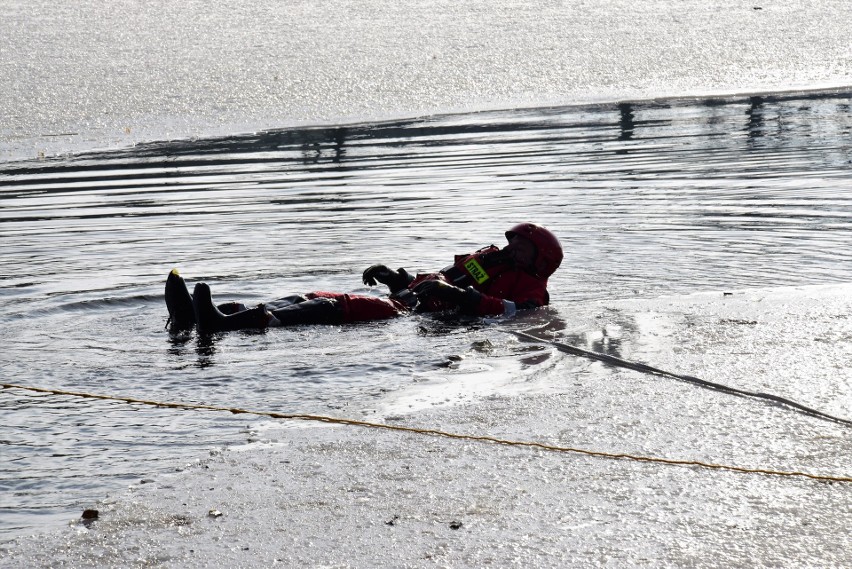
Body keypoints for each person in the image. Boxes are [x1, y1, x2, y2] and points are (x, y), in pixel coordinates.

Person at [165, 223, 563, 334]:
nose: (512, 248)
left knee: (330, 306)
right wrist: (397, 277)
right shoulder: (490, 260)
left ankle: (225, 326)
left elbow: (508, 312)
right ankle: (213, 314)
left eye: (522, 248)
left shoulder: (532, 292)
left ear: (538, 261)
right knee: (307, 295)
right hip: (408, 303)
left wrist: (455, 297)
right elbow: (440, 279)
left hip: (411, 318)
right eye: (513, 241)